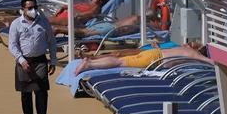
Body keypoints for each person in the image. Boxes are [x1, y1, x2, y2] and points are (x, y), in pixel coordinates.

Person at [8, 0, 58, 114]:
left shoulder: (43, 23)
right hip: (24, 61)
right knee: (26, 93)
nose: (33, 10)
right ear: (23, 9)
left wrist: (53, 61)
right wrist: (21, 60)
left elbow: (52, 42)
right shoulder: (16, 24)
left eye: (35, 7)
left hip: (40, 61)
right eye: (30, 8)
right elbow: (12, 45)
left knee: (41, 92)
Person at [73, 40, 209, 75]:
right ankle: (90, 64)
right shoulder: (192, 53)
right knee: (119, 62)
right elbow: (209, 61)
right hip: (153, 59)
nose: (189, 44)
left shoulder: (182, 49)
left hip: (152, 54)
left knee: (120, 59)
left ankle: (90, 61)